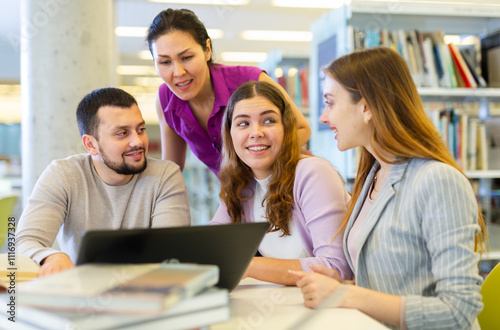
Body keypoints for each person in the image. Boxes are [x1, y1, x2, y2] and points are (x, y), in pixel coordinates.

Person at [290, 47, 487, 329]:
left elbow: (457, 311)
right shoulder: (373, 175)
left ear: (367, 107)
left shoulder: (437, 180)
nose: (323, 117)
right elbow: (396, 281)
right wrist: (346, 284)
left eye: (330, 103)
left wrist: (347, 293)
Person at [16, 87, 191, 277]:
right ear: (91, 145)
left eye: (141, 130)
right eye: (122, 133)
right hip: (82, 296)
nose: (137, 142)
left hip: (146, 294)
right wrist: (50, 257)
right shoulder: (63, 175)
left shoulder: (165, 175)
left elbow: (170, 254)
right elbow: (24, 242)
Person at [209, 81, 351, 285]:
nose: (256, 132)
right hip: (286, 303)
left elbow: (335, 268)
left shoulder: (312, 173)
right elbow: (211, 245)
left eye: (268, 121)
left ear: (286, 128)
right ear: (230, 135)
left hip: (330, 307)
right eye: (243, 123)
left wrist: (248, 266)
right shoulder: (241, 183)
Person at [146, 8, 311, 176]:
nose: (178, 72)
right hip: (236, 196)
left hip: (286, 181)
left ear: (207, 49)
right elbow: (172, 168)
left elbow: (303, 129)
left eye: (187, 58)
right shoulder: (165, 99)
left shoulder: (250, 80)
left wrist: (252, 166)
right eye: (165, 62)